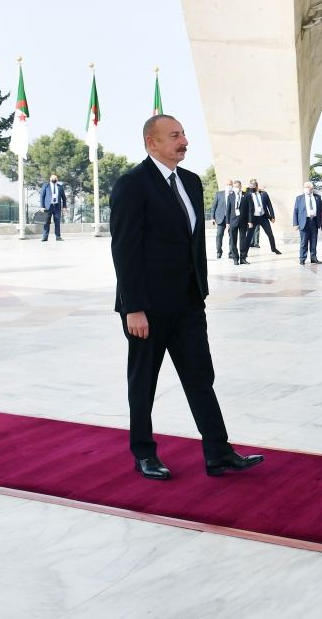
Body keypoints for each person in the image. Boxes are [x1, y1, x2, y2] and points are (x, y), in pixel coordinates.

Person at [109, 114, 264, 480]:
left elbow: (193, 245)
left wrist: (200, 293)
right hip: (146, 308)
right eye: (175, 135)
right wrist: (134, 308)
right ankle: (144, 453)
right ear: (152, 142)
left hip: (188, 303)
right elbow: (125, 251)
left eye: (183, 134)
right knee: (144, 381)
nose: (184, 141)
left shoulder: (192, 182)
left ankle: (218, 453)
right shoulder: (133, 184)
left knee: (200, 376)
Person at [245, 179, 281, 256]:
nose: (252, 188)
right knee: (249, 236)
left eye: (253, 186)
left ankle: (274, 248)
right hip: (253, 218)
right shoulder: (248, 194)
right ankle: (245, 252)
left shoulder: (264, 194)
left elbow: (269, 205)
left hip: (263, 217)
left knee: (270, 234)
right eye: (250, 186)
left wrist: (272, 217)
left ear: (257, 186)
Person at [293, 180, 322, 265]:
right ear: (304, 188)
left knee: (314, 241)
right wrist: (295, 223)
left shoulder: (317, 197)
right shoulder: (299, 198)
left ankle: (314, 258)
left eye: (309, 187)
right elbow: (295, 211)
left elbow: (321, 211)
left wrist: (321, 223)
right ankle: (302, 258)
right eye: (306, 187)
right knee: (304, 242)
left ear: (312, 189)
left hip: (314, 221)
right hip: (304, 222)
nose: (308, 189)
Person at [226, 179, 250, 265]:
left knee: (243, 240)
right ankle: (235, 259)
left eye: (237, 186)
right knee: (233, 240)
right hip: (232, 222)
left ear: (240, 186)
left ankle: (243, 259)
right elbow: (228, 210)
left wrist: (250, 221)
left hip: (243, 221)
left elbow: (250, 210)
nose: (235, 188)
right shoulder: (230, 196)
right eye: (234, 187)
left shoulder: (246, 195)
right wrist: (227, 223)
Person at [38, 175, 67, 242]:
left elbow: (64, 198)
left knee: (57, 222)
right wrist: (42, 206)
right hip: (47, 207)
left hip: (57, 207)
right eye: (53, 178)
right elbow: (42, 196)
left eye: (55, 178)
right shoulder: (46, 185)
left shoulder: (60, 187)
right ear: (50, 179)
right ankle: (45, 237)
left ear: (57, 179)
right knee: (46, 223)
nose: (54, 179)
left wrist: (64, 207)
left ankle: (58, 237)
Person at [210, 179, 233, 259]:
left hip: (230, 219)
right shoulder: (219, 194)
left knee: (232, 236)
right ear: (225, 185)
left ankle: (231, 253)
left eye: (230, 184)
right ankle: (219, 252)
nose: (229, 186)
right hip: (220, 219)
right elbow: (213, 206)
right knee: (219, 235)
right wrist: (212, 218)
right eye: (228, 184)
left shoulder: (234, 194)